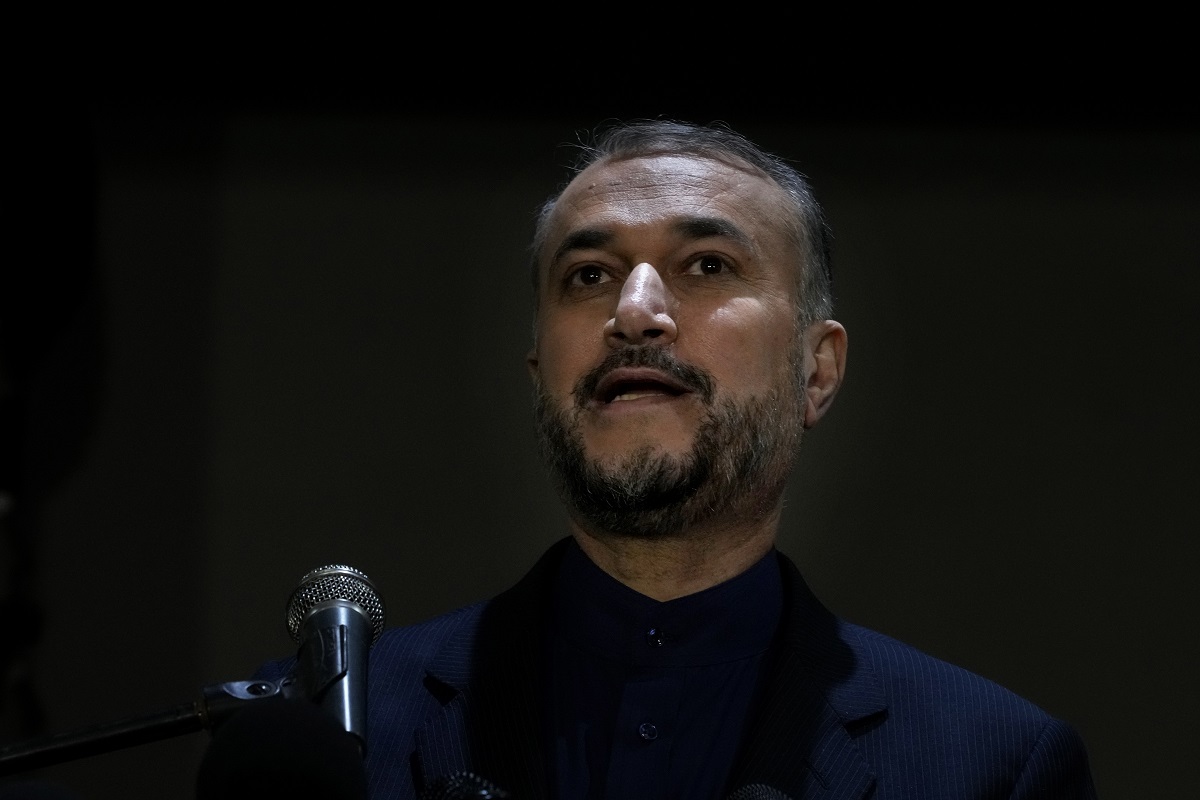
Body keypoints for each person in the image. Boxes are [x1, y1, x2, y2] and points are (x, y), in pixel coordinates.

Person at [250, 119, 1098, 799]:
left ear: (816, 371)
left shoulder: (993, 767)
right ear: (541, 375)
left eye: (706, 265)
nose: (635, 311)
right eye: (589, 275)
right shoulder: (320, 737)